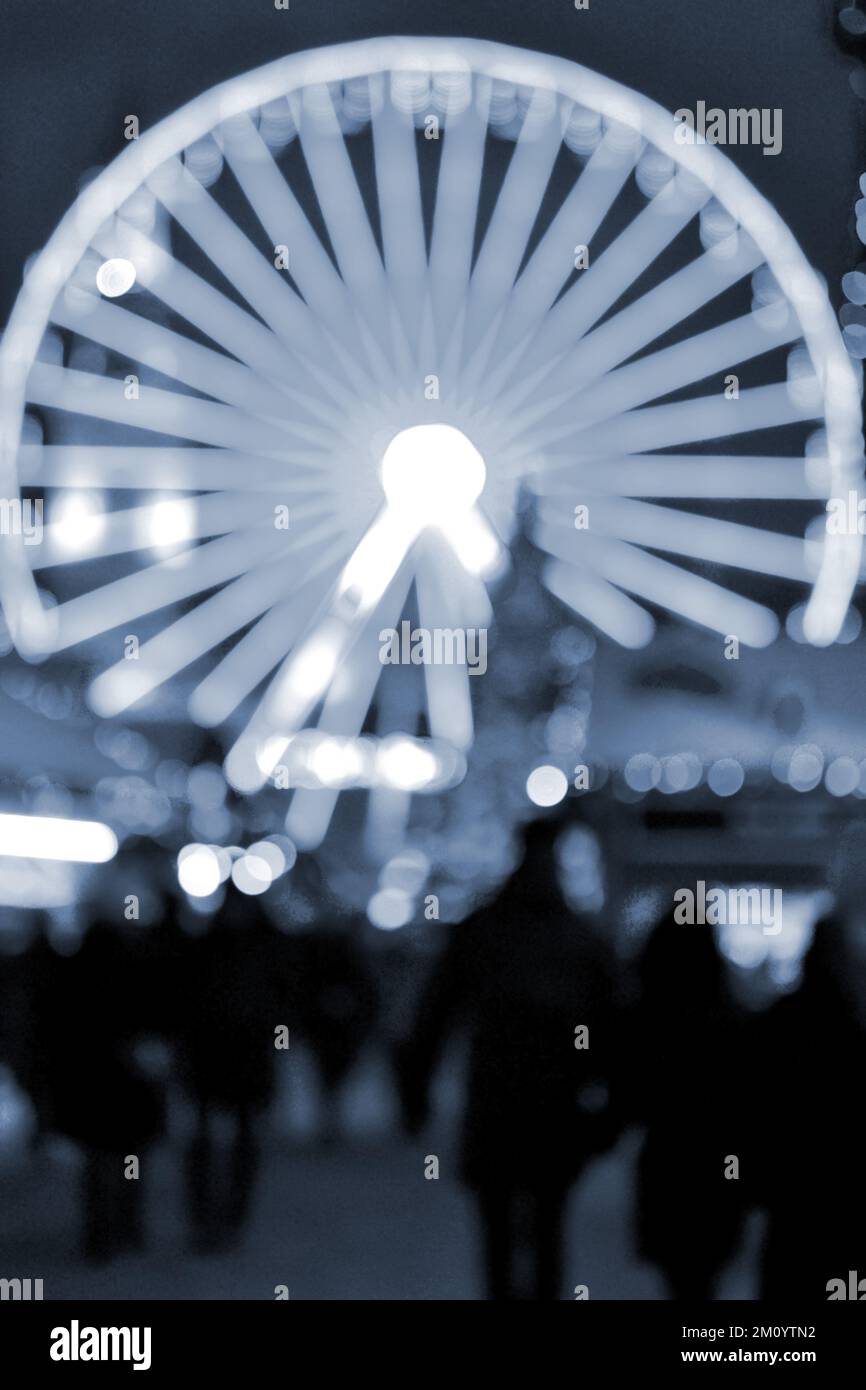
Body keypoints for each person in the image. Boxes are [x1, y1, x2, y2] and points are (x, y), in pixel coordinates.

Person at [397, 813, 620, 1300]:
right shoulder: (579, 938)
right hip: (555, 1109)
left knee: (500, 1230)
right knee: (547, 1227)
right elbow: (614, 1031)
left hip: (498, 1104)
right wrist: (609, 1109)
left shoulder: (485, 930)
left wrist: (415, 1091)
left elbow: (435, 1015)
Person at [629, 909, 751, 1301]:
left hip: (668, 1168)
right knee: (702, 1279)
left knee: (680, 1279)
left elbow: (629, 1096)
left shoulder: (651, 1023)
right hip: (718, 1173)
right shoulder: (732, 1023)